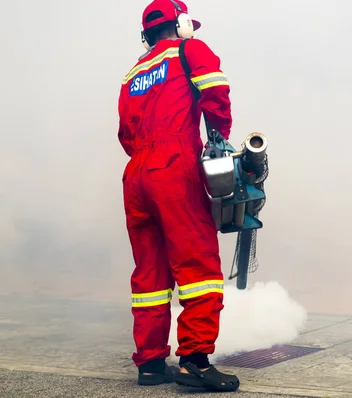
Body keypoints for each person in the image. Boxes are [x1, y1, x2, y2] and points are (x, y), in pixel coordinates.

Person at [117, 0, 239, 391]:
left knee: (149, 273)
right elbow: (216, 93)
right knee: (198, 264)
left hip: (136, 173)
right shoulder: (190, 50)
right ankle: (195, 361)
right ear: (182, 24)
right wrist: (218, 135)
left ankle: (150, 365)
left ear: (146, 34)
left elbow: (124, 133)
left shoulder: (132, 74)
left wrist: (146, 157)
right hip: (173, 166)